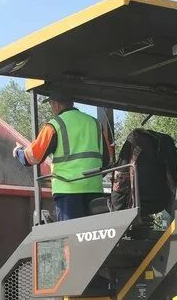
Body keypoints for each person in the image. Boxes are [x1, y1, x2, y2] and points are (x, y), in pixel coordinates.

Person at [12, 90, 111, 221]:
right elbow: (107, 159)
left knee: (70, 237)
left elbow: (33, 157)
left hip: (68, 192)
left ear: (56, 104)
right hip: (95, 190)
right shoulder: (95, 124)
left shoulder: (54, 125)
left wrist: (18, 152)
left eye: (51, 105)